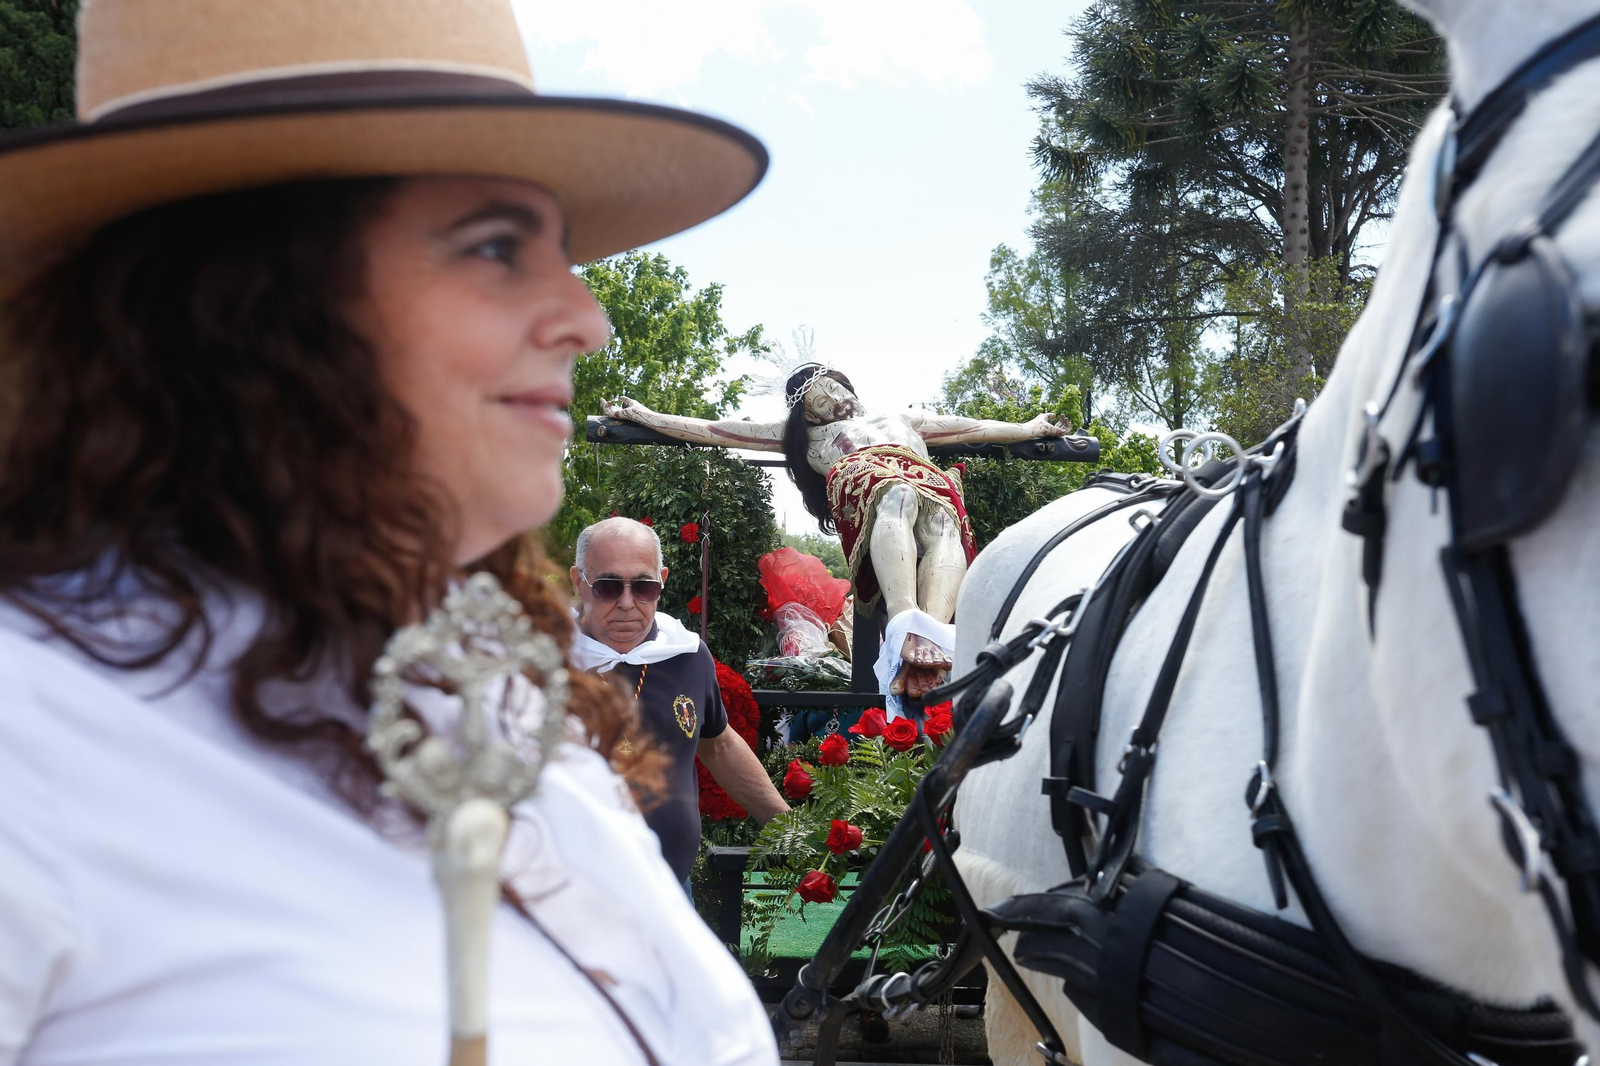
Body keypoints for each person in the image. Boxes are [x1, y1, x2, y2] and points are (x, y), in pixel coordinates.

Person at [0, 1, 777, 1063]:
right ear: (253, 302)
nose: (586, 320)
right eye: (495, 246)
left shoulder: (502, 702)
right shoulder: (35, 738)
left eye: (558, 250)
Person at [605, 364, 1069, 697]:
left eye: (832, 389)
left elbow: (974, 427)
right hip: (866, 477)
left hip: (925, 476)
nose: (833, 401)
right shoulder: (805, 436)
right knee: (898, 495)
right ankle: (905, 622)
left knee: (944, 522)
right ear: (807, 416)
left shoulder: (901, 419)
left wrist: (1030, 427)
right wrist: (646, 416)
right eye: (819, 403)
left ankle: (930, 636)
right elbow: (712, 429)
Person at [569, 519, 789, 886]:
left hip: (669, 890)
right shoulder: (541, 660)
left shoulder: (685, 653)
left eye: (644, 586)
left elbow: (719, 745)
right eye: (608, 586)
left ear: (662, 581)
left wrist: (789, 827)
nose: (627, 603)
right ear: (578, 582)